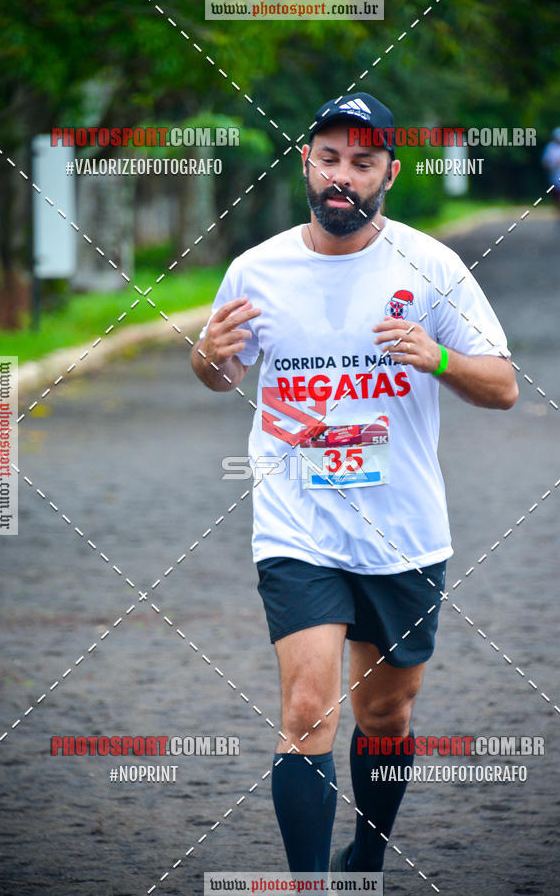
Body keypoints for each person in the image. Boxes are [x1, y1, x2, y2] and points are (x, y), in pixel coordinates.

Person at [191, 92, 518, 876]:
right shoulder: (255, 269)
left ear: (388, 173)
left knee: (385, 711)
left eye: (362, 164)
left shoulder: (430, 266)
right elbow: (218, 372)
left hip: (402, 529)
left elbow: (503, 385)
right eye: (330, 158)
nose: (344, 177)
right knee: (307, 711)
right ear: (308, 161)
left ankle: (367, 855)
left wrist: (436, 358)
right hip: (296, 523)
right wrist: (206, 356)